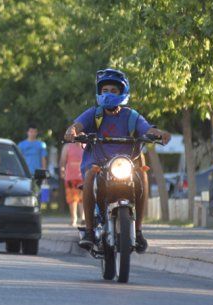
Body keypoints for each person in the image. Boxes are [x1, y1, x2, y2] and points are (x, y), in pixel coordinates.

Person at [64, 69, 170, 253]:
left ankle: (138, 231)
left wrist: (160, 134)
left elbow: (147, 129)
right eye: (105, 90)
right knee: (89, 176)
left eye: (114, 91)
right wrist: (72, 132)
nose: (108, 94)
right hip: (98, 164)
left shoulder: (132, 116)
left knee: (143, 175)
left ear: (123, 93)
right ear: (99, 93)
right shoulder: (93, 114)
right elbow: (77, 126)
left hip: (125, 165)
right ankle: (89, 231)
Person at [60, 142, 85, 227]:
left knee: (83, 198)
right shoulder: (67, 147)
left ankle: (83, 218)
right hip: (70, 177)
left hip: (83, 177)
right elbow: (63, 160)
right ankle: (74, 219)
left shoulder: (86, 145)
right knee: (72, 199)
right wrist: (62, 170)